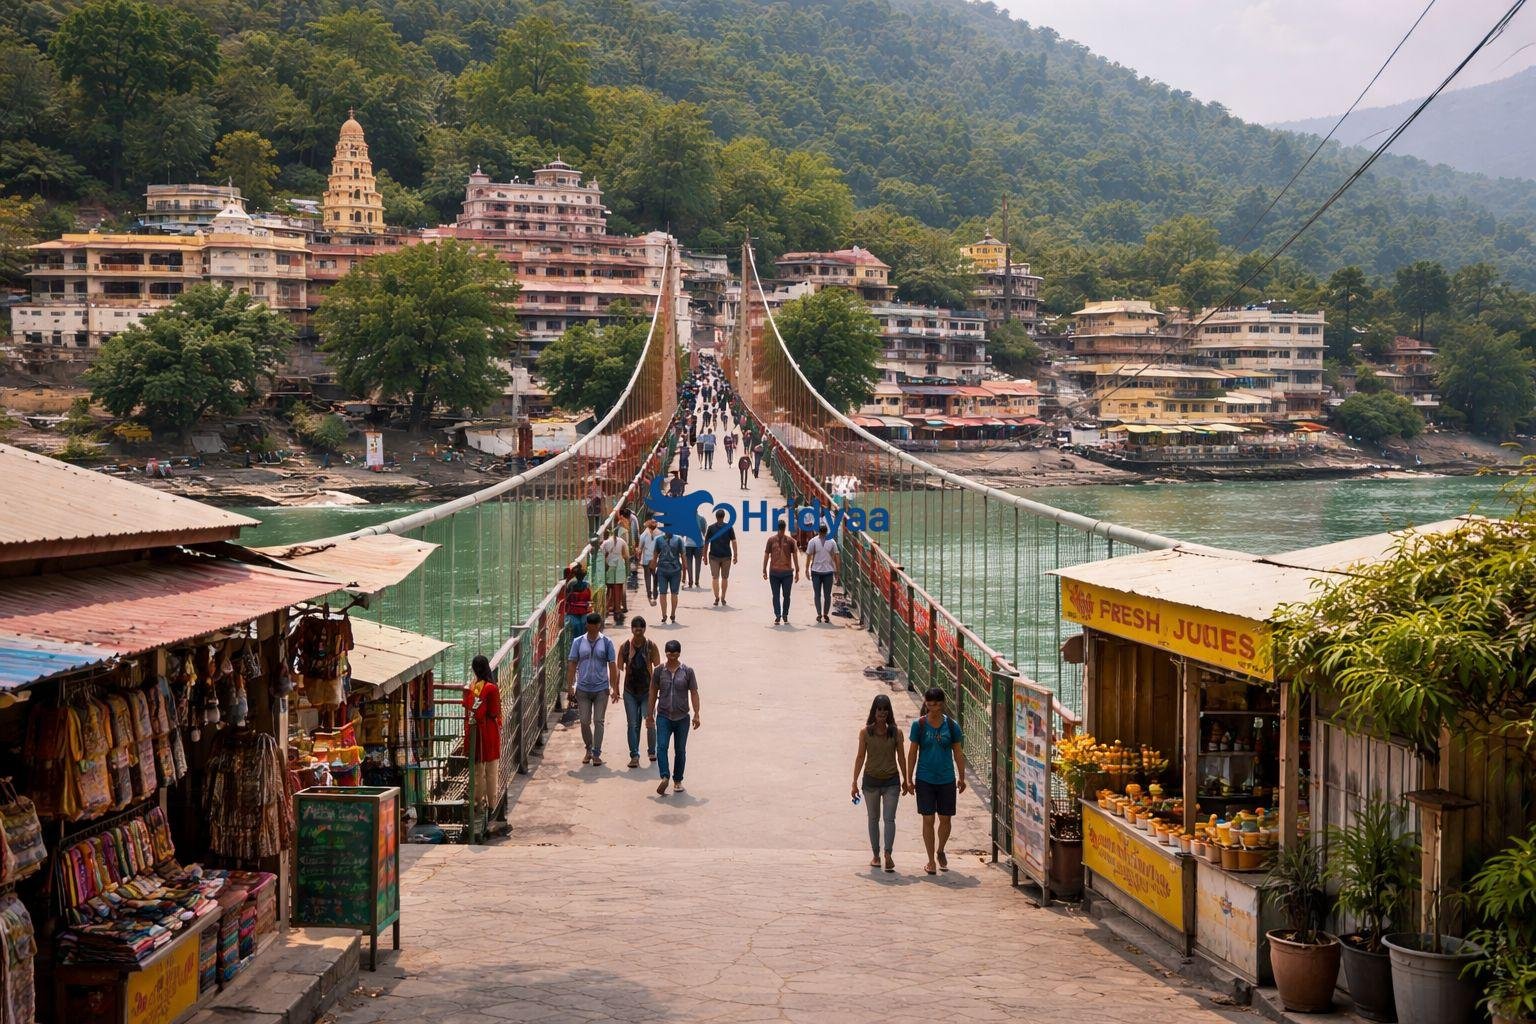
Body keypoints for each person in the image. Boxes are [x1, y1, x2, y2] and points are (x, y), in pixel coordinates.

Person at [904, 688, 967, 875]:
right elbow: (912, 753)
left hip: (947, 778)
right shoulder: (919, 725)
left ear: (943, 703)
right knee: (928, 818)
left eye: (937, 703)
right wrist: (908, 778)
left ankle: (940, 850)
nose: (934, 707)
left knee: (945, 819)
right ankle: (931, 860)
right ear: (925, 703)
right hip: (925, 778)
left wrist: (962, 777)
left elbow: (958, 752)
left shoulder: (952, 726)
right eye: (930, 704)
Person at [851, 694, 908, 872]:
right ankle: (876, 854)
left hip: (892, 782)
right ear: (874, 711)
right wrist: (854, 782)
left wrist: (906, 780)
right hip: (871, 782)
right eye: (879, 709)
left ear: (889, 712)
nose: (882, 713)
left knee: (889, 819)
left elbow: (901, 757)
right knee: (873, 819)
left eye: (885, 709)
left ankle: (887, 853)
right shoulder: (865, 733)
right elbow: (860, 757)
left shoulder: (896, 733)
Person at [647, 639, 701, 796]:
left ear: (679, 654)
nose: (672, 657)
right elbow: (652, 692)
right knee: (661, 747)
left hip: (682, 717)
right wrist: (649, 715)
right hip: (663, 716)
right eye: (669, 654)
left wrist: (697, 714)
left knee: (680, 750)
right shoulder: (659, 671)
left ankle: (678, 780)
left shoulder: (687, 671)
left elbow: (694, 692)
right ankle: (665, 776)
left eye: (675, 654)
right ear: (665, 653)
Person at [566, 613, 619, 767]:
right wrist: (570, 686)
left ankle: (596, 753)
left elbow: (612, 665)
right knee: (584, 721)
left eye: (596, 625)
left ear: (599, 625)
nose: (593, 628)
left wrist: (614, 688)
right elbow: (572, 664)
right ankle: (589, 748)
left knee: (598, 721)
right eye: (590, 625)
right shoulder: (578, 642)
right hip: (582, 688)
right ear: (587, 625)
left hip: (601, 688)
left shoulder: (607, 642)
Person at [464, 655, 503, 823]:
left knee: (477, 771)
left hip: (475, 732)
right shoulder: (491, 688)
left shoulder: (472, 687)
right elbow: (494, 712)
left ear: (474, 670)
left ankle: (476, 804)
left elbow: (469, 707)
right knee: (491, 772)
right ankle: (492, 806)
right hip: (489, 732)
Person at [617, 618, 660, 768]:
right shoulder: (625, 647)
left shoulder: (651, 646)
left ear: (644, 629)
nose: (638, 630)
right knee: (632, 724)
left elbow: (658, 669)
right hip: (629, 691)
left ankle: (652, 751)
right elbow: (618, 669)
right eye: (635, 627)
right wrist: (615, 689)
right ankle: (634, 755)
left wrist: (659, 690)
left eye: (640, 628)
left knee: (650, 721)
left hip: (648, 691)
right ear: (631, 629)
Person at [762, 520, 800, 625]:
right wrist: (764, 569)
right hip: (774, 573)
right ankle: (778, 615)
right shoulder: (771, 540)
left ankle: (785, 614)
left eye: (782, 529)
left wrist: (797, 570)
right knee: (776, 595)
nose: (781, 531)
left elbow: (795, 555)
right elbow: (766, 554)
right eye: (781, 529)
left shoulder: (791, 541)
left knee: (786, 595)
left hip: (787, 573)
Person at [804, 524, 841, 623]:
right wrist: (837, 571)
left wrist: (806, 569)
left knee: (818, 594)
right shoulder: (830, 541)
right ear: (826, 532)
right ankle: (824, 614)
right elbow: (837, 557)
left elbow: (808, 556)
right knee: (826, 595)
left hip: (819, 571)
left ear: (818, 532)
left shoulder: (814, 541)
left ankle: (820, 614)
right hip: (825, 572)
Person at [704, 508, 738, 606]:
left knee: (715, 577)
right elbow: (734, 541)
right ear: (723, 517)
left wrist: (704, 556)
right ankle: (723, 597)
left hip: (714, 557)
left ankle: (716, 597)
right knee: (724, 578)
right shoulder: (729, 527)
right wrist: (735, 555)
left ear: (716, 517)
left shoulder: (711, 528)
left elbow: (706, 543)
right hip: (726, 556)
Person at [653, 526, 685, 624]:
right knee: (673, 593)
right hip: (674, 570)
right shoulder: (678, 539)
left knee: (663, 593)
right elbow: (683, 556)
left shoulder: (659, 539)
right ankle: (671, 614)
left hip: (664, 570)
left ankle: (665, 615)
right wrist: (685, 572)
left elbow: (655, 556)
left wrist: (653, 570)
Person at [599, 526, 630, 625]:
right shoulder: (622, 542)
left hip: (610, 567)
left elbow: (601, 556)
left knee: (609, 589)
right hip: (620, 567)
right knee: (618, 589)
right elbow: (626, 556)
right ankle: (617, 610)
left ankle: (606, 609)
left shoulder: (605, 543)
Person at [563, 563, 593, 641]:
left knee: (578, 626)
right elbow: (589, 599)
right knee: (581, 626)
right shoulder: (586, 585)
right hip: (580, 610)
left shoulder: (570, 584)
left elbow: (567, 597)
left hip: (574, 611)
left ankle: (578, 643)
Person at [637, 517, 662, 606]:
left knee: (647, 577)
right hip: (655, 559)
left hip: (646, 559)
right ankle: (655, 592)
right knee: (655, 576)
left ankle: (649, 593)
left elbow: (640, 549)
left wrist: (638, 558)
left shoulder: (643, 535)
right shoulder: (660, 534)